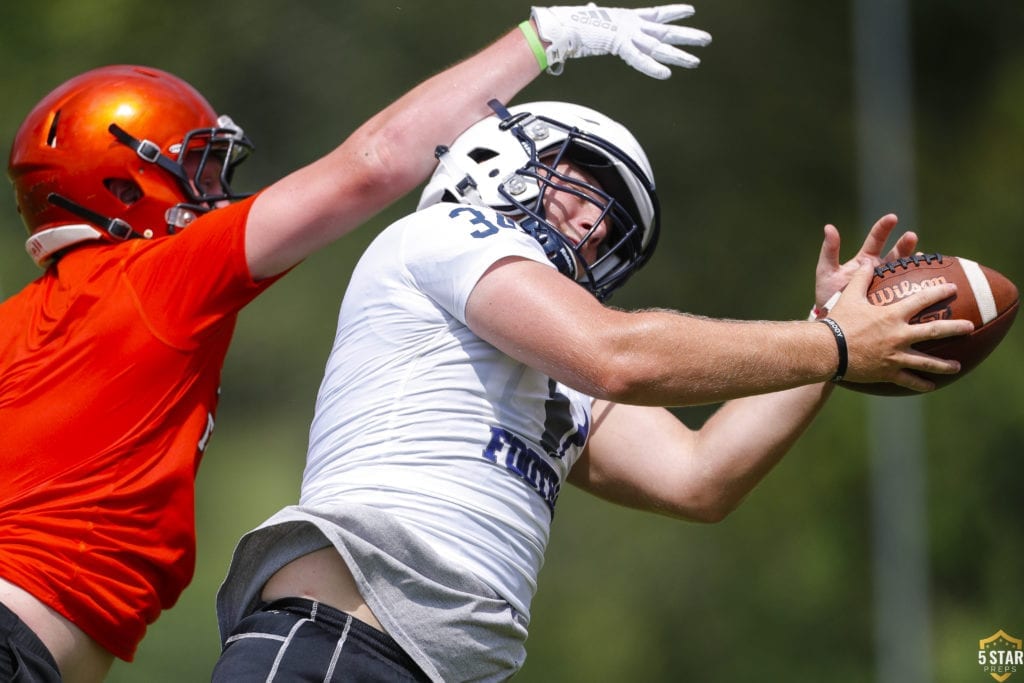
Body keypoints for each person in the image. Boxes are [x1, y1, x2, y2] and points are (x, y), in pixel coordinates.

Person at [0, 6, 713, 682]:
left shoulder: (22, 323)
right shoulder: (151, 282)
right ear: (123, 181)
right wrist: (542, 37)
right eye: (201, 170)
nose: (217, 195)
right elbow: (374, 161)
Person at [213, 98, 973, 681]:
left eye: (608, 228)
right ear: (498, 156)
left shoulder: (558, 368)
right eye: (581, 185)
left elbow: (699, 476)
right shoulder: (442, 236)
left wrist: (828, 335)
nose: (591, 227)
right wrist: (834, 342)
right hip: (338, 645)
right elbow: (614, 354)